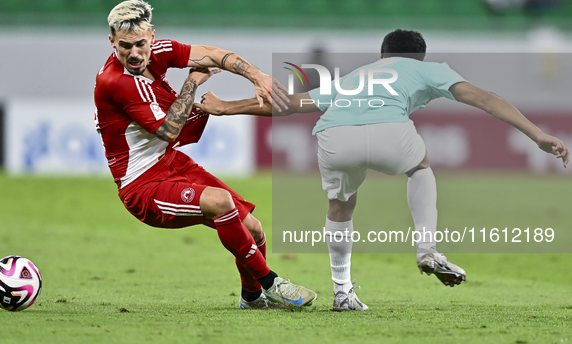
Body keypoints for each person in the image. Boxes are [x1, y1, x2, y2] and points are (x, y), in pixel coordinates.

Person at [195, 29, 570, 311]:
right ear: (418, 58)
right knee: (420, 169)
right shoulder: (428, 70)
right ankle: (427, 249)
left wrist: (227, 105)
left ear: (382, 54)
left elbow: (291, 104)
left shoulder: (356, 75)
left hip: (334, 135)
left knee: (340, 207)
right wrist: (537, 135)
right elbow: (486, 99)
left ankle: (342, 293)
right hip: (391, 131)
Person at [93, 0, 315, 310]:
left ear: (152, 38)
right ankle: (272, 283)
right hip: (141, 186)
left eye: (140, 44)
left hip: (170, 163)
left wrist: (257, 76)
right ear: (112, 41)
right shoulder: (116, 82)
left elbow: (214, 54)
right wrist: (191, 83)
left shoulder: (157, 53)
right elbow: (169, 130)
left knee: (253, 228)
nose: (134, 54)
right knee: (220, 202)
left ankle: (251, 297)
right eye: (125, 46)